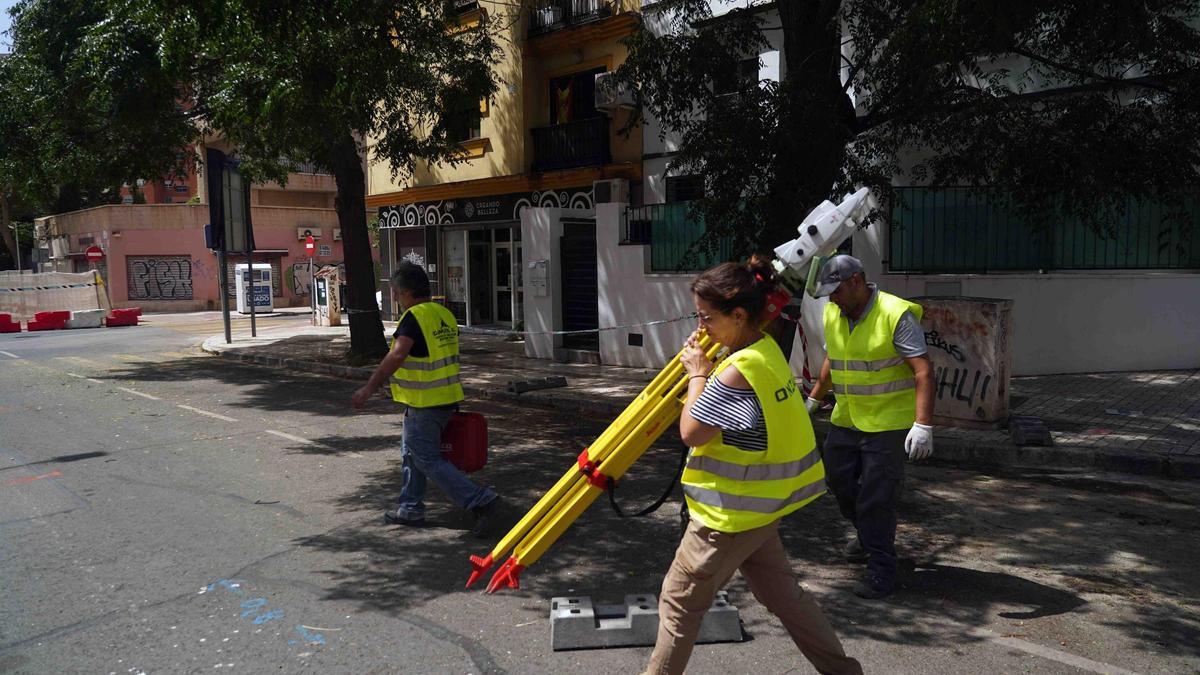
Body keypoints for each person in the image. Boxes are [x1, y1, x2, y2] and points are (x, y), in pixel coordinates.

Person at [643, 257, 862, 675]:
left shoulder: (733, 372)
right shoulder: (764, 350)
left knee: (678, 603)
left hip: (726, 517)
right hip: (758, 511)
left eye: (706, 317)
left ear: (738, 314)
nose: (701, 326)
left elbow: (691, 431)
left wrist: (696, 374)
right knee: (786, 599)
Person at [806, 254, 934, 600]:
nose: (832, 298)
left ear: (857, 281)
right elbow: (834, 358)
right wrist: (815, 399)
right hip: (847, 417)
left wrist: (923, 425)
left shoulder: (895, 314)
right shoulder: (835, 312)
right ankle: (866, 534)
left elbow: (922, 370)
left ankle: (882, 568)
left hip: (888, 423)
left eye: (836, 291)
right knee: (837, 481)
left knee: (877, 498)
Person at [351, 262, 501, 537]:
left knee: (427, 459)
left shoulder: (413, 318)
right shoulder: (443, 314)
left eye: (395, 292)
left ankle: (483, 501)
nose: (395, 298)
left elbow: (397, 355)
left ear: (406, 292)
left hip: (425, 401)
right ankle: (410, 508)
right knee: (411, 454)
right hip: (444, 397)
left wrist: (369, 387)